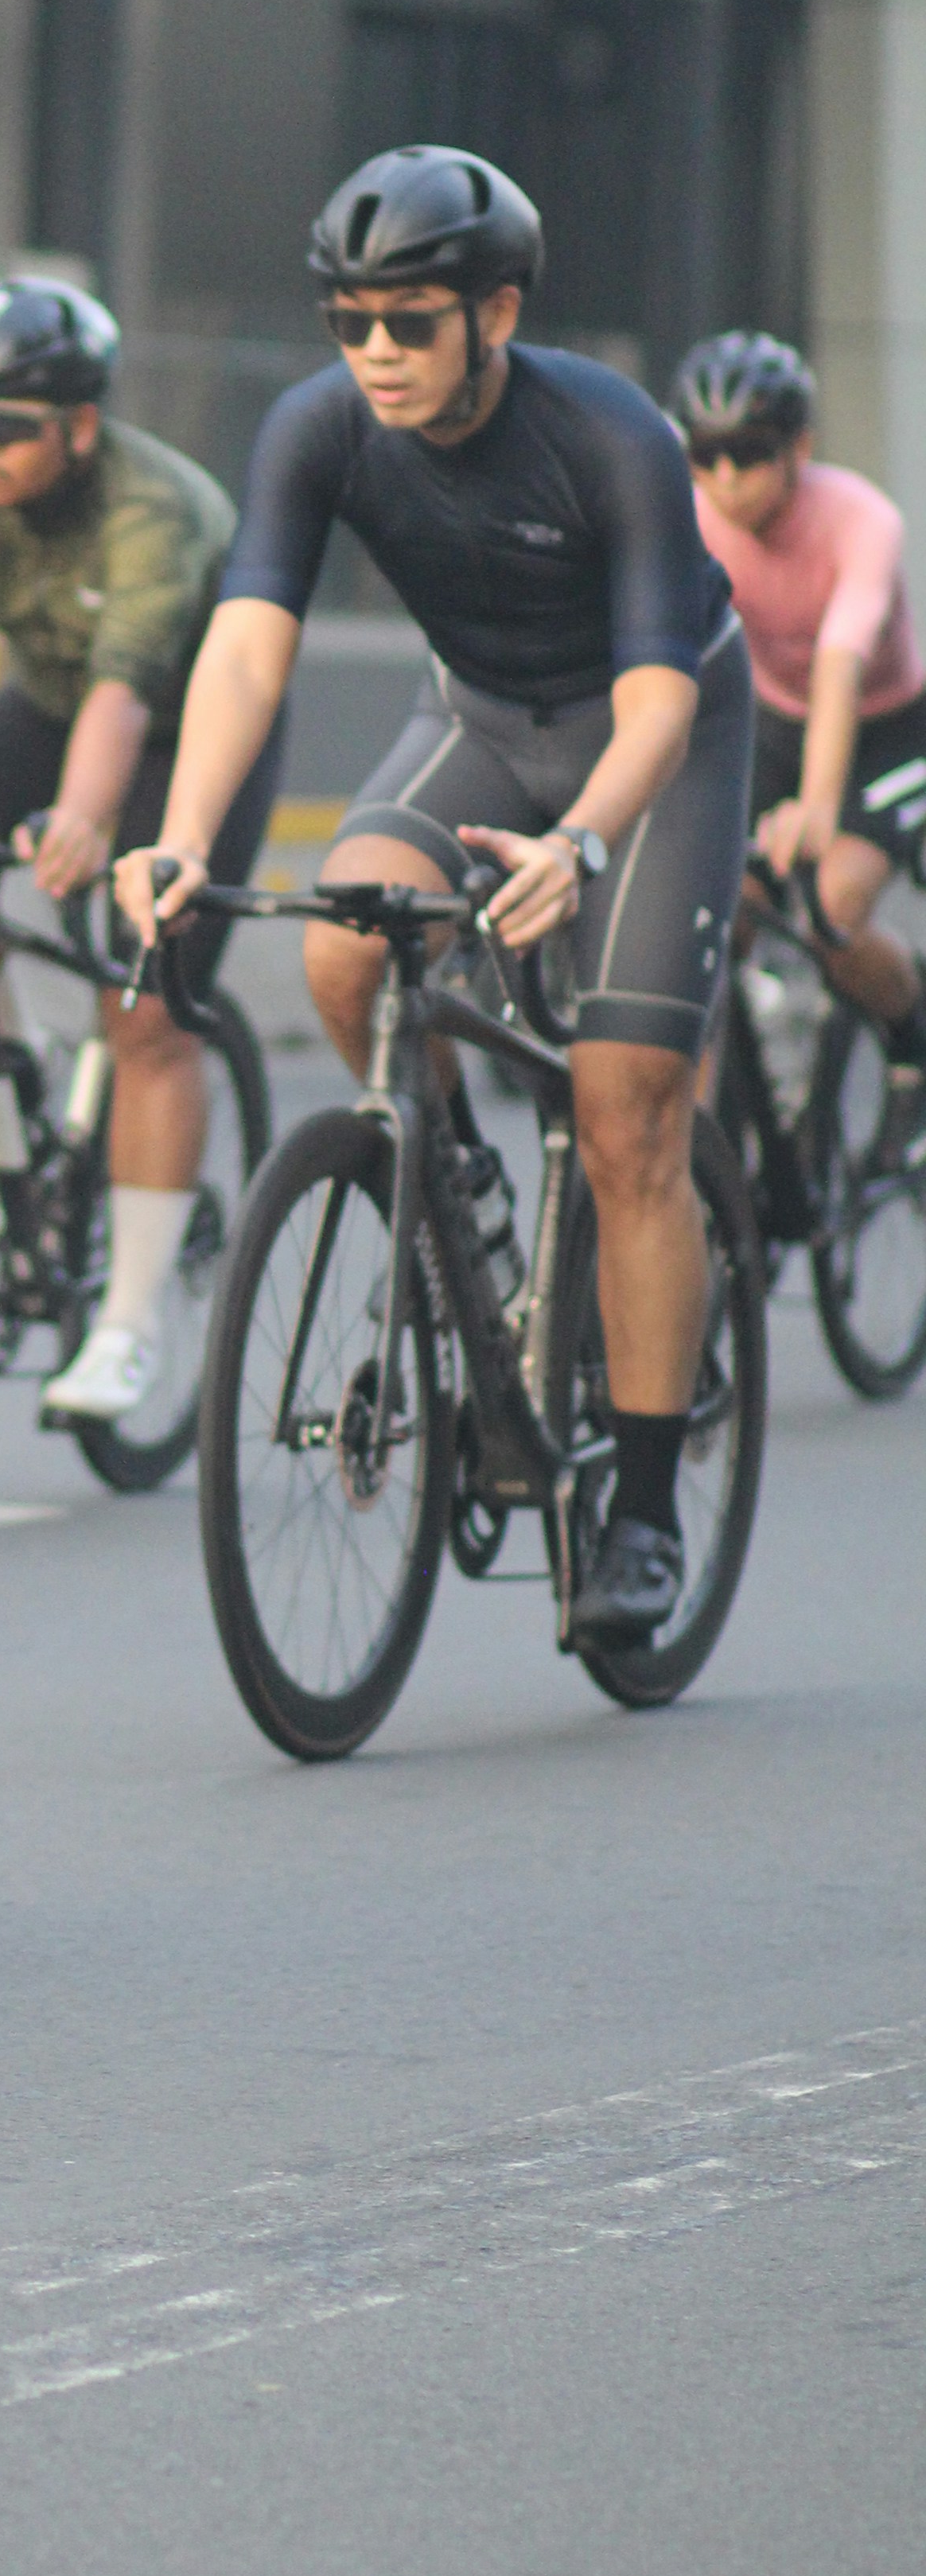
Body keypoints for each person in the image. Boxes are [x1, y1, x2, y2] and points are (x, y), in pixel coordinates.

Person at [116, 145, 751, 1645]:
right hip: (475, 715)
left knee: (627, 1110)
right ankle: (451, 1171)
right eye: (351, 322)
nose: (377, 353)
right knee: (347, 941)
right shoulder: (318, 427)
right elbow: (245, 647)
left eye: (411, 320)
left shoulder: (607, 431)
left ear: (497, 309)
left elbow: (659, 701)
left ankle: (646, 1510)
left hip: (654, 739)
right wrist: (185, 837)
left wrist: (584, 843)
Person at [0, 275, 284, 1421]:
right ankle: (3, 1051)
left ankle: (127, 1326)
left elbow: (126, 696)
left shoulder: (150, 504)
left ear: (79, 427)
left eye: (7, 430)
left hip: (186, 731)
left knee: (147, 1015)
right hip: (48, 704)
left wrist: (82, 820)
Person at [672, 329, 926, 1075]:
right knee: (714, 917)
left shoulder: (861, 518)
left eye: (748, 454)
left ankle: (913, 1029)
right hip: (775, 724)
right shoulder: (691, 520)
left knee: (831, 912)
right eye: (704, 455)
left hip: (889, 730)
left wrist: (817, 810)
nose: (725, 478)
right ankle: (725, 1141)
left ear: (800, 448)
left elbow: (840, 666)